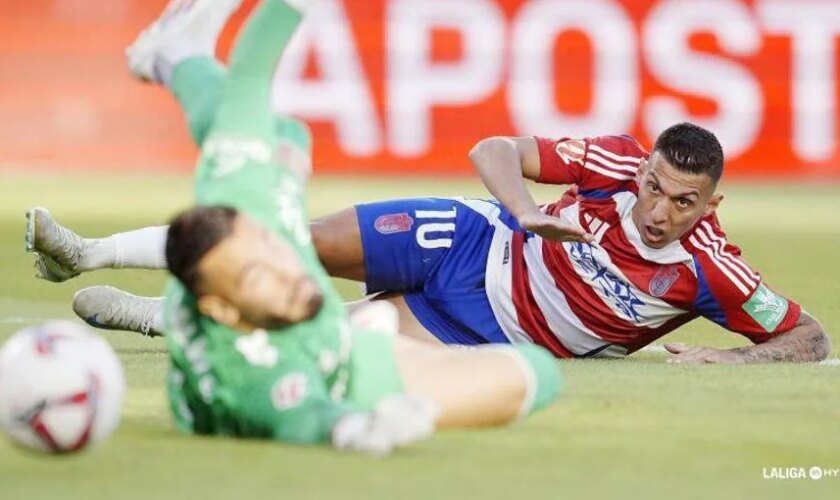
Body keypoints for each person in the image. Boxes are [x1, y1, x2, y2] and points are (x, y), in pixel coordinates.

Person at [27, 14, 829, 365]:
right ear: (645, 165)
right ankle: (85, 251)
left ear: (710, 207)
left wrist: (721, 361)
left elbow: (807, 338)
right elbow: (493, 147)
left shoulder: (714, 271)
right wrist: (524, 213)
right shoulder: (615, 160)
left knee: (306, 331)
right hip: (471, 238)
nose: (656, 209)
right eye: (654, 185)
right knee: (284, 240)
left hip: (481, 332)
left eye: (680, 202)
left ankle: (162, 318)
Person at [31, 0, 562, 455]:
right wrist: (355, 426)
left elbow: (250, 75)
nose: (290, 272)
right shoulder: (251, 371)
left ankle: (174, 56)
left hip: (326, 331)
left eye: (272, 247)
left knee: (266, 130)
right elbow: (301, 417)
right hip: (343, 371)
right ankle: (164, 311)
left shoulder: (247, 200)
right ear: (223, 310)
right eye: (257, 278)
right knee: (532, 375)